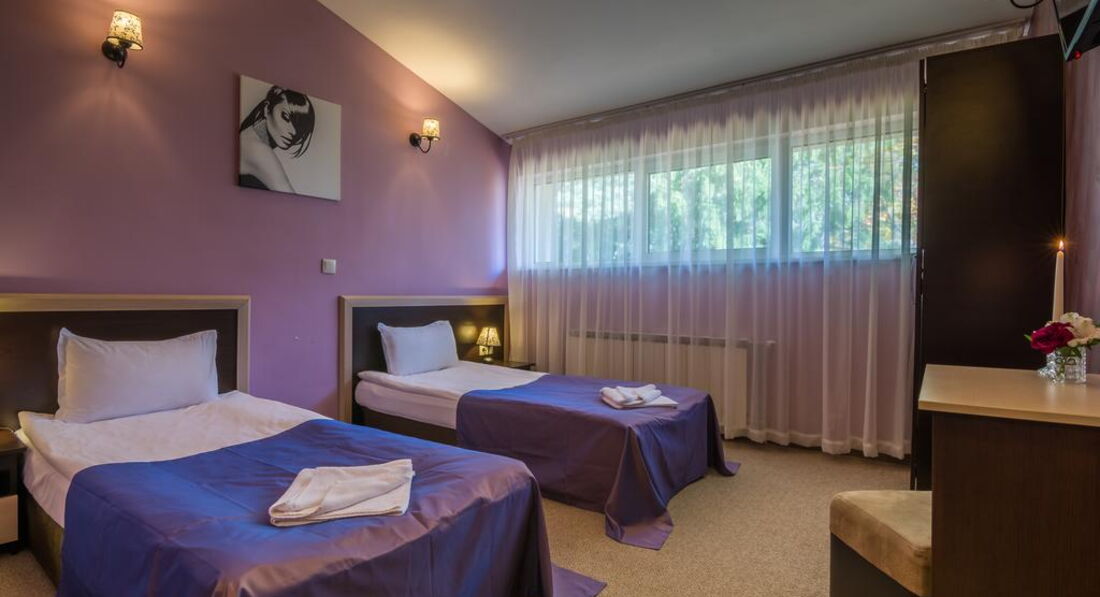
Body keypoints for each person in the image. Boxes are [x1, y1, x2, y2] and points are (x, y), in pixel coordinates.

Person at [239, 86, 315, 193]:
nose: (293, 132)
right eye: (286, 117)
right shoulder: (258, 150)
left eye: (300, 125)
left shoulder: (250, 137)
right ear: (267, 109)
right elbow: (292, 201)